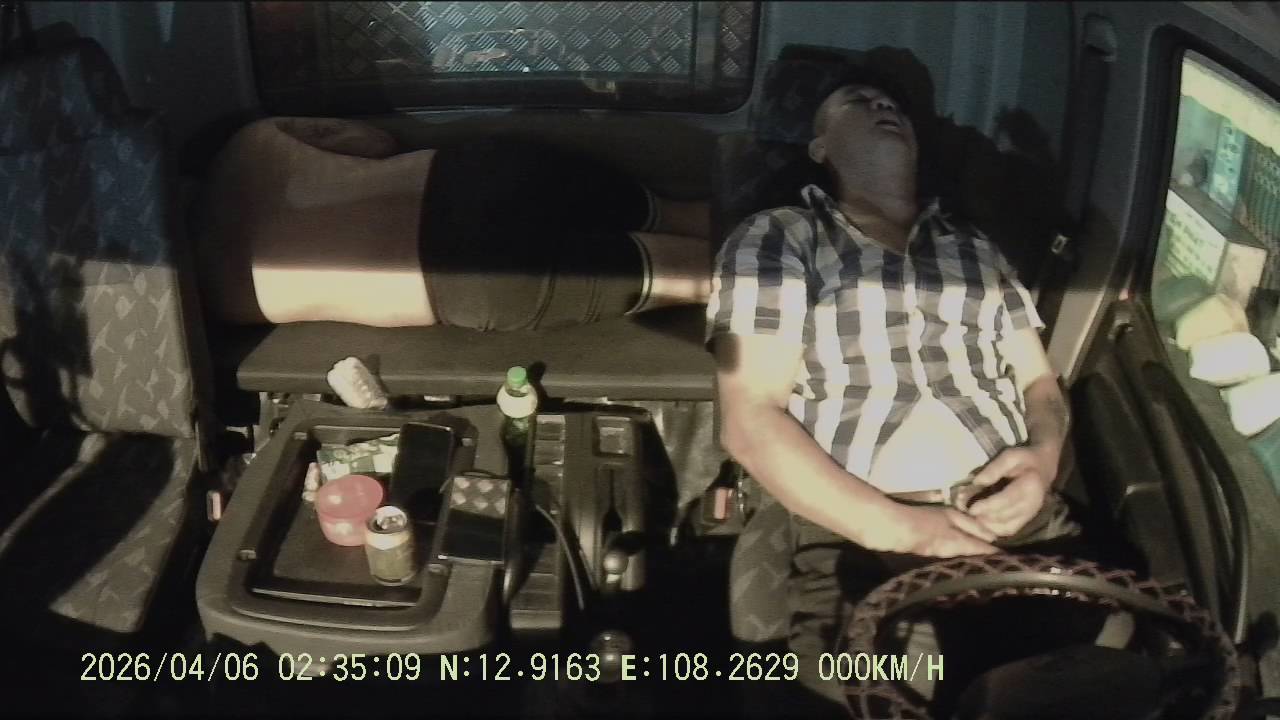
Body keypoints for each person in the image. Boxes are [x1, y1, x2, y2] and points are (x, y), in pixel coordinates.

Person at [707, 65, 1078, 710]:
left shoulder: (978, 250)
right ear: (819, 145)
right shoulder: (778, 237)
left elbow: (1040, 382)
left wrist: (1043, 459)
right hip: (860, 537)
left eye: (893, 104)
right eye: (856, 100)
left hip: (1022, 525)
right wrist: (908, 530)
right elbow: (750, 420)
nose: (883, 105)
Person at [195, 116, 712, 331]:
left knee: (702, 275)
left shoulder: (214, 299)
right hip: (474, 177)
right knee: (685, 214)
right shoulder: (251, 142)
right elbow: (375, 142)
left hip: (463, 278)